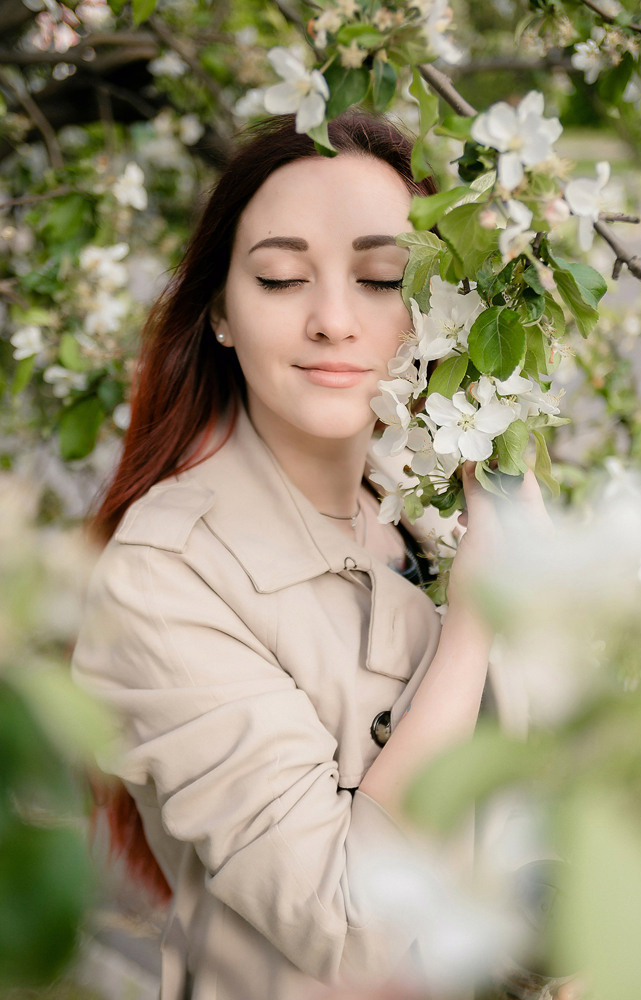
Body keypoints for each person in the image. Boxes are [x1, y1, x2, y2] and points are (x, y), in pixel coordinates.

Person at [72, 111, 548, 1000]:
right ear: (221, 311)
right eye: (282, 278)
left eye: (382, 278)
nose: (332, 320)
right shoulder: (162, 576)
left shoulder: (434, 501)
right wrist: (476, 620)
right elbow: (348, 921)